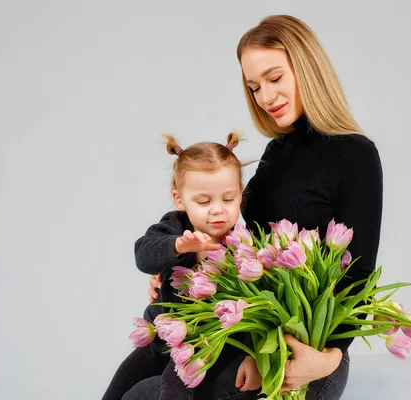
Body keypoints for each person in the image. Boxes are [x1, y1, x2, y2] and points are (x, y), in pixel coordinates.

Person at [146, 14, 383, 400]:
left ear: (307, 69)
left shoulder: (354, 154)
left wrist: (330, 357)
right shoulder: (277, 151)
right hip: (253, 334)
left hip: (308, 350)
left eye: (275, 78)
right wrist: (177, 263)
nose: (266, 97)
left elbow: (359, 273)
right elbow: (236, 235)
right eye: (254, 87)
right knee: (140, 389)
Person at [102, 133, 262, 400]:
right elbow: (143, 255)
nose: (217, 210)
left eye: (228, 198)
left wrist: (252, 355)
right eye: (203, 201)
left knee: (172, 391)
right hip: (157, 340)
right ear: (180, 199)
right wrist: (178, 247)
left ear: (241, 195)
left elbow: (255, 312)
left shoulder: (244, 246)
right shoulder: (175, 227)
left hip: (201, 348)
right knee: (116, 392)